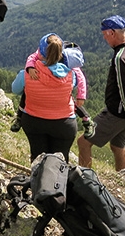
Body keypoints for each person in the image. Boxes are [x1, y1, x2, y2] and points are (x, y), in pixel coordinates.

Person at [78, 15, 125, 171]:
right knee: (118, 147)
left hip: (117, 112)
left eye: (104, 34)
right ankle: (124, 180)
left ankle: (85, 181)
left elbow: (124, 91)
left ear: (112, 32)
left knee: (83, 142)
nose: (104, 38)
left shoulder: (120, 58)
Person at [11, 33, 78, 162]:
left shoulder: (26, 73)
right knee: (60, 162)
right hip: (64, 124)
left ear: (40, 53)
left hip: (34, 121)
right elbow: (73, 87)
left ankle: (38, 180)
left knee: (37, 158)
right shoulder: (70, 74)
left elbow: (15, 89)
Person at [11, 40, 96, 137]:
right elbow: (80, 78)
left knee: (27, 94)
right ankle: (86, 119)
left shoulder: (69, 61)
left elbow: (80, 77)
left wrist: (81, 96)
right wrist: (29, 67)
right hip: (62, 95)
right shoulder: (65, 59)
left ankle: (19, 118)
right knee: (67, 100)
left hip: (59, 93)